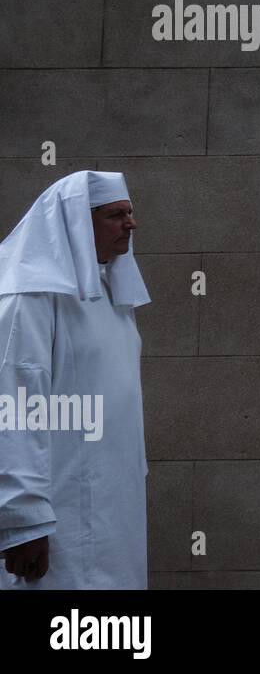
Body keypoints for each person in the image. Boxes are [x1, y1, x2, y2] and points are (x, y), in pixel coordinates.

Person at [0, 170, 150, 589]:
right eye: (114, 215)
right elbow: (13, 409)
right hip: (59, 510)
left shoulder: (109, 294)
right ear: (76, 222)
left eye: (130, 213)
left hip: (113, 507)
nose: (130, 223)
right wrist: (22, 522)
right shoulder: (28, 298)